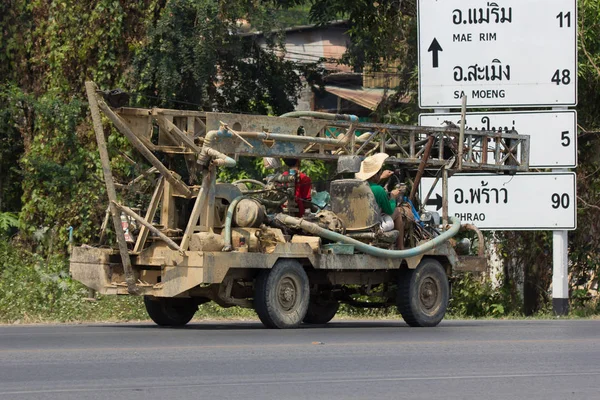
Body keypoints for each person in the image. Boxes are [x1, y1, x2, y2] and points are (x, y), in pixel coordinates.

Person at [355, 153, 406, 249]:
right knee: (398, 211)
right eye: (379, 172)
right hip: (373, 225)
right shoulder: (379, 190)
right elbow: (389, 211)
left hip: (358, 223)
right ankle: (400, 247)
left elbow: (369, 187)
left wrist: (380, 177)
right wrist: (392, 197)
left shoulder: (357, 187)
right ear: (375, 175)